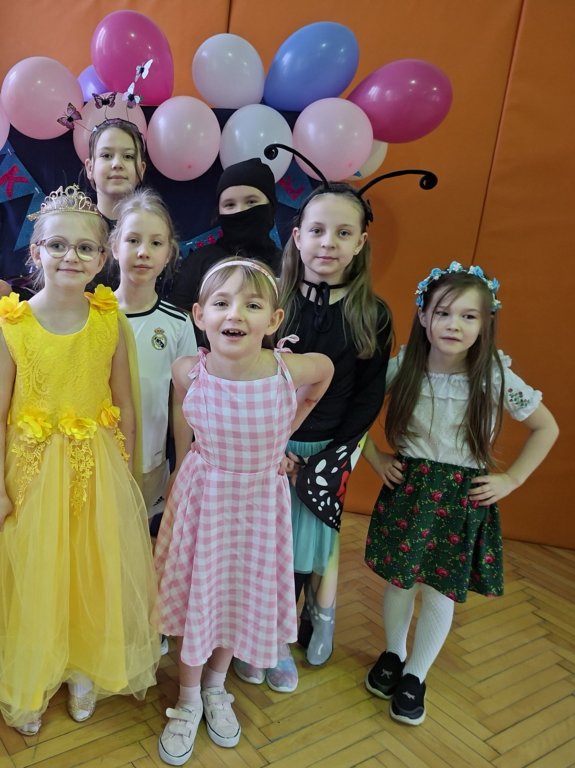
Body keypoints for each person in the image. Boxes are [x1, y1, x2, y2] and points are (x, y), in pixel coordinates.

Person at [0, 185, 160, 736]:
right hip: (30, 474)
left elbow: (124, 402)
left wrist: (127, 470)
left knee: (89, 568)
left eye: (84, 248)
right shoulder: (13, 326)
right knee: (32, 573)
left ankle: (82, 666)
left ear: (102, 258)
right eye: (57, 245)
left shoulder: (109, 321)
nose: (70, 257)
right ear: (36, 252)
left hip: (95, 469)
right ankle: (30, 675)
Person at [153, 258, 334, 765]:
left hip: (258, 505)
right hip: (205, 501)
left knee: (236, 595)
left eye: (252, 305)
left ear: (273, 321)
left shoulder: (288, 370)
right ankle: (188, 698)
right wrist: (183, 461)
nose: (235, 313)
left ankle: (216, 685)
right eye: (222, 303)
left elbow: (325, 371)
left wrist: (288, 427)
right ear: (200, 315)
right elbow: (184, 413)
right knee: (202, 595)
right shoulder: (189, 370)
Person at [361, 261, 558, 726]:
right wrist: (377, 458)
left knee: (439, 591)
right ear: (423, 316)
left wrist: (511, 480)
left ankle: (416, 673)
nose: (454, 324)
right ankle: (393, 653)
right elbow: (354, 413)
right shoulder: (403, 367)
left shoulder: (494, 376)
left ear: (485, 324)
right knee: (400, 581)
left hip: (459, 498)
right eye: (444, 313)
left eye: (469, 316)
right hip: (411, 492)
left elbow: (546, 427)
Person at [232, 181, 393, 693]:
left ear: (360, 243)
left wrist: (334, 455)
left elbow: (368, 395)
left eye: (343, 233)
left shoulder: (373, 314)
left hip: (328, 453)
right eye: (318, 231)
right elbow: (244, 373)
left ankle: (287, 633)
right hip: (267, 448)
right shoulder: (270, 303)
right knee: (261, 546)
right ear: (297, 237)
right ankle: (250, 633)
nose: (329, 243)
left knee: (303, 551)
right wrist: (270, 447)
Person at [0, 117, 148, 314]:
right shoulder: (70, 222)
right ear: (90, 168)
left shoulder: (151, 228)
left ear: (141, 169)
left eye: (128, 156)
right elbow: (45, 283)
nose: (117, 164)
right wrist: (12, 295)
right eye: (106, 155)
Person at [110, 188, 198, 527]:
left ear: (168, 253)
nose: (143, 252)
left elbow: (182, 401)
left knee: (140, 542)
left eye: (156, 243)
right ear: (114, 247)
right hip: (96, 457)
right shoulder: (92, 314)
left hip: (150, 462)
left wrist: (181, 464)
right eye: (133, 240)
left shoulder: (177, 324)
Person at [167, 157, 281, 311]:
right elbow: (178, 318)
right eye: (230, 204)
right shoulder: (198, 262)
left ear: (270, 206)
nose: (240, 210)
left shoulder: (287, 265)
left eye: (251, 202)